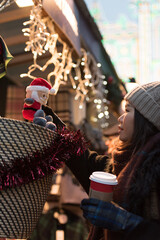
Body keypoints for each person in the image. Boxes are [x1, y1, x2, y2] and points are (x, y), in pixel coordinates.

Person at [50, 81, 160, 240]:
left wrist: (126, 222)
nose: (120, 118)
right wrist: (50, 121)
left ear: (147, 119)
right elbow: (82, 160)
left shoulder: (154, 167)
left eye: (128, 110)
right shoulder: (122, 163)